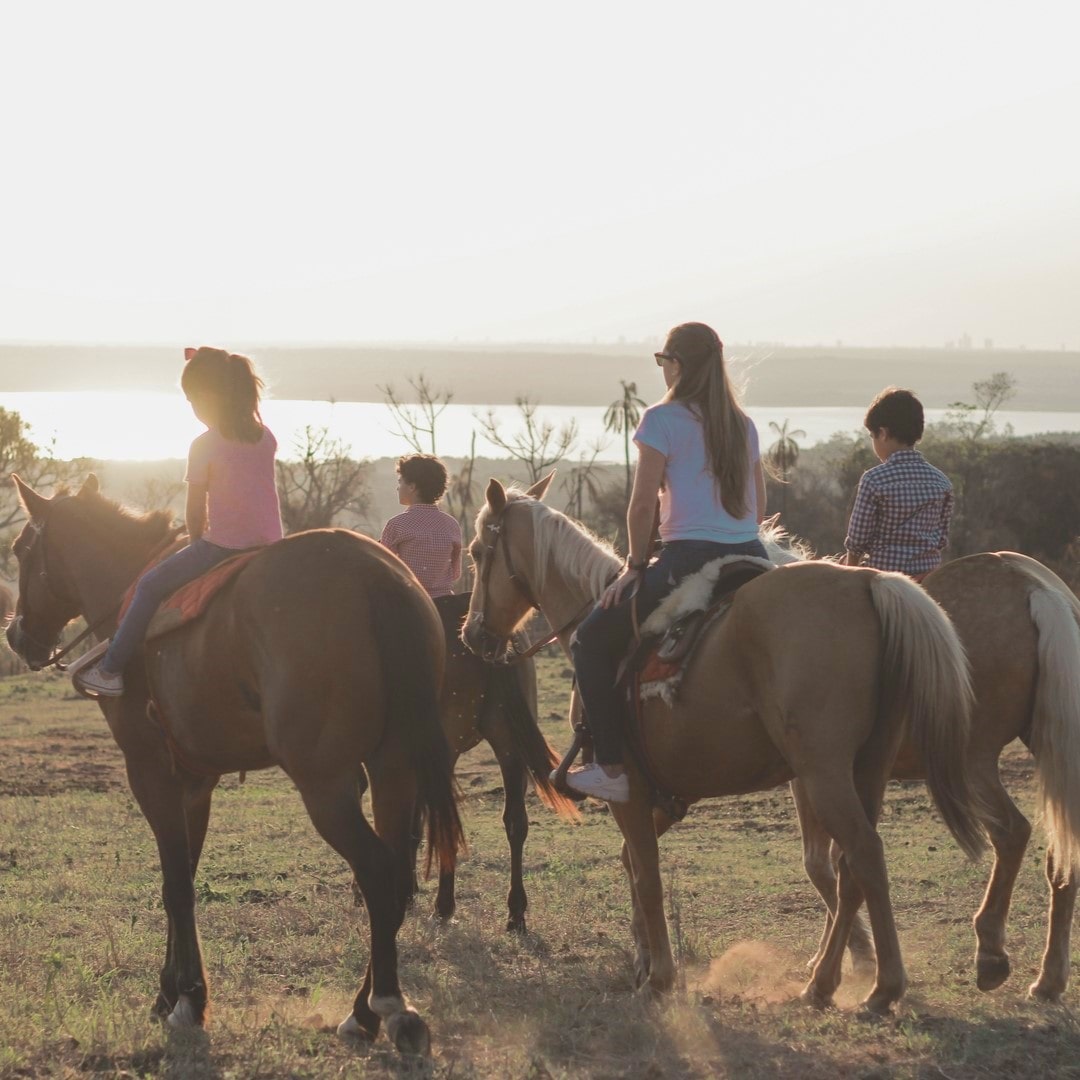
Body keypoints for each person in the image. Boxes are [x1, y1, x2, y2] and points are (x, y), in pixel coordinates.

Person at [562, 322, 768, 802]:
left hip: (687, 557)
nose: (662, 370)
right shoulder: (744, 424)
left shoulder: (662, 418)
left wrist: (635, 565)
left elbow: (641, 506)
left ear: (676, 364)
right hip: (751, 552)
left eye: (663, 362)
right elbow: (758, 507)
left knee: (591, 641)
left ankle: (609, 766)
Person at [74, 347, 284, 698]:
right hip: (270, 542)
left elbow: (194, 513)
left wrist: (197, 541)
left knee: (150, 586)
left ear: (208, 396)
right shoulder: (265, 437)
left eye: (192, 400)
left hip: (223, 545)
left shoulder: (204, 444)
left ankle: (110, 670)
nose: (193, 408)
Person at [843, 387, 953, 580]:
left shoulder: (874, 479)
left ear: (883, 433)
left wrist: (849, 571)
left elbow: (858, 539)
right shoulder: (942, 482)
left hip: (884, 578)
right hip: (928, 577)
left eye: (873, 436)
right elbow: (941, 539)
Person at [380, 454, 462, 599]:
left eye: (400, 482)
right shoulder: (451, 525)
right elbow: (455, 574)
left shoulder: (397, 525)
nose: (398, 488)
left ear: (412, 487)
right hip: (445, 604)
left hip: (410, 603)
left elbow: (385, 572)